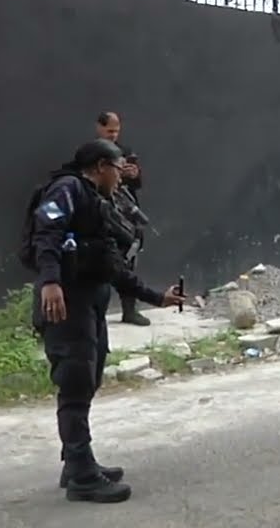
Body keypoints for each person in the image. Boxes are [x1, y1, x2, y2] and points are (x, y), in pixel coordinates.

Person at [24, 139, 186, 503]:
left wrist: (158, 297)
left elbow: (111, 265)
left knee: (90, 375)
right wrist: (50, 281)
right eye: (118, 168)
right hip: (66, 305)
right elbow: (45, 234)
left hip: (90, 303)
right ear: (100, 166)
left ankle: (76, 461)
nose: (121, 175)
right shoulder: (67, 189)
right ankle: (82, 475)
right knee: (76, 381)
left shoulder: (97, 201)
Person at [95, 111, 151, 326]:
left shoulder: (126, 152)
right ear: (99, 128)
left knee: (128, 262)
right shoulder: (91, 154)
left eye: (116, 131)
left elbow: (138, 185)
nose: (113, 135)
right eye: (109, 131)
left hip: (126, 217)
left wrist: (134, 174)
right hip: (103, 214)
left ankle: (130, 310)